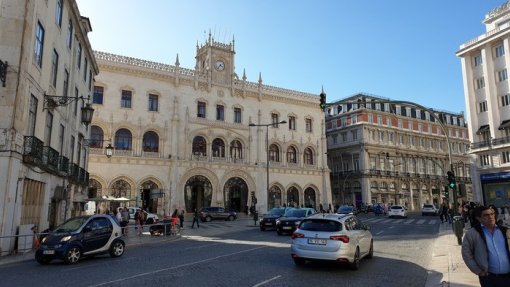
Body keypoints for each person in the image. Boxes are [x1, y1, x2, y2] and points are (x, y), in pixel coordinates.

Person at [461, 206, 510, 287]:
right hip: (489, 278)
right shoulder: (473, 233)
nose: (490, 217)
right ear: (479, 219)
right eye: (486, 215)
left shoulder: (505, 231)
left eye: (492, 214)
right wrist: (478, 271)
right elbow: (466, 254)